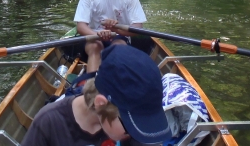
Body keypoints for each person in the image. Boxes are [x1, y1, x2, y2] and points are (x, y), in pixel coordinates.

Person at [21, 45, 171, 146]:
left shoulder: (130, 129)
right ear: (101, 103)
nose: (135, 133)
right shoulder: (49, 122)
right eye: (130, 126)